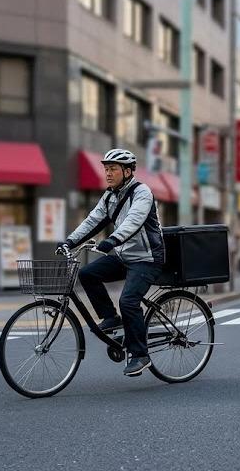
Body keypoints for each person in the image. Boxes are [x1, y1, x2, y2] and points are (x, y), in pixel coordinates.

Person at [57, 148, 165, 377]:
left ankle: (140, 355)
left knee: (128, 300)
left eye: (113, 169)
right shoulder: (110, 196)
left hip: (148, 259)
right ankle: (110, 316)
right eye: (106, 169)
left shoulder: (142, 192)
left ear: (127, 171)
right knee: (87, 273)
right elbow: (92, 220)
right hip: (126, 257)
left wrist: (112, 240)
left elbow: (134, 220)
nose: (108, 173)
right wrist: (69, 241)